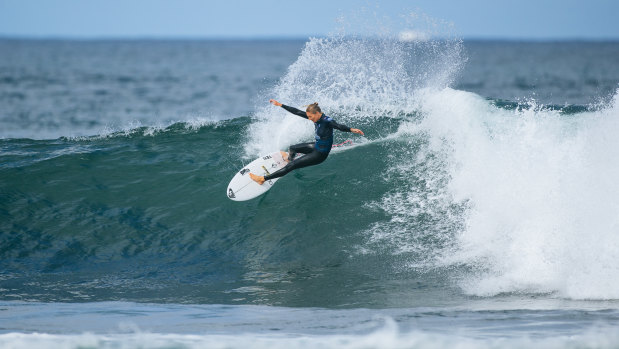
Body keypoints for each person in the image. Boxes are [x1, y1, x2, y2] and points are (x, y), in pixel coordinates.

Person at [249, 99, 364, 185]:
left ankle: (262, 179)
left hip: (320, 155)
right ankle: (289, 158)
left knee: (292, 166)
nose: (309, 119)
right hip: (316, 146)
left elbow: (338, 126)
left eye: (310, 117)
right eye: (308, 116)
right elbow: (297, 112)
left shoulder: (327, 121)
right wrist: (280, 105)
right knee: (292, 148)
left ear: (317, 114)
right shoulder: (316, 118)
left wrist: (351, 129)